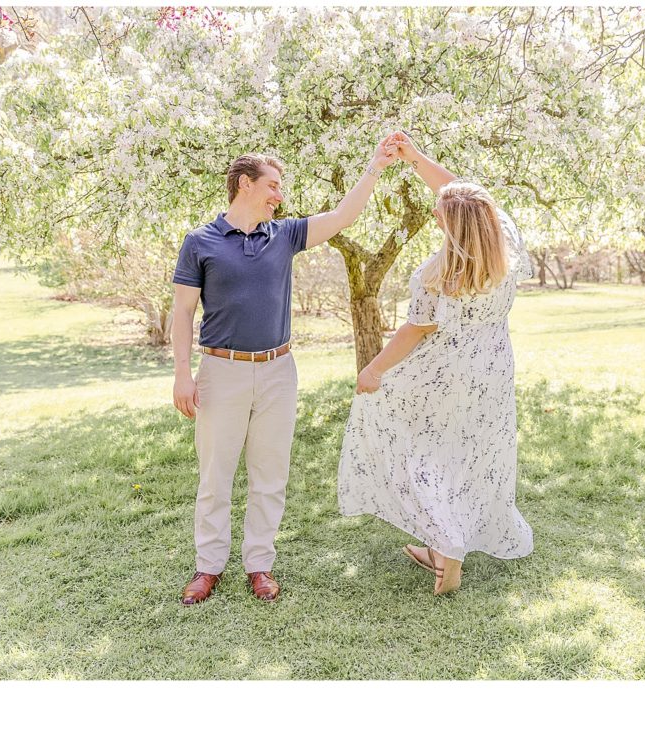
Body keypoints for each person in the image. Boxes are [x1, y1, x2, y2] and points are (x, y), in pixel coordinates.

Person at [172, 135, 400, 605]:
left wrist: (375, 165)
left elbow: (342, 217)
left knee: (270, 473)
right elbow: (181, 315)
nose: (280, 195)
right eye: (273, 185)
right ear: (244, 184)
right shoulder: (201, 242)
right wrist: (181, 373)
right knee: (215, 476)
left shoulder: (286, 235)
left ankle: (260, 564)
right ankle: (208, 566)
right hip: (221, 371)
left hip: (279, 370)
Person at [337, 132, 535, 595]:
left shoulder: (435, 273)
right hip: (493, 368)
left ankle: (446, 547)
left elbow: (415, 331)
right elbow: (466, 195)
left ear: (454, 223)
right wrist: (416, 158)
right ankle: (447, 547)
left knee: (426, 450)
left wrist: (373, 370)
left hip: (442, 370)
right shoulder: (505, 242)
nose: (431, 213)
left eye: (438, 213)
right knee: (472, 454)